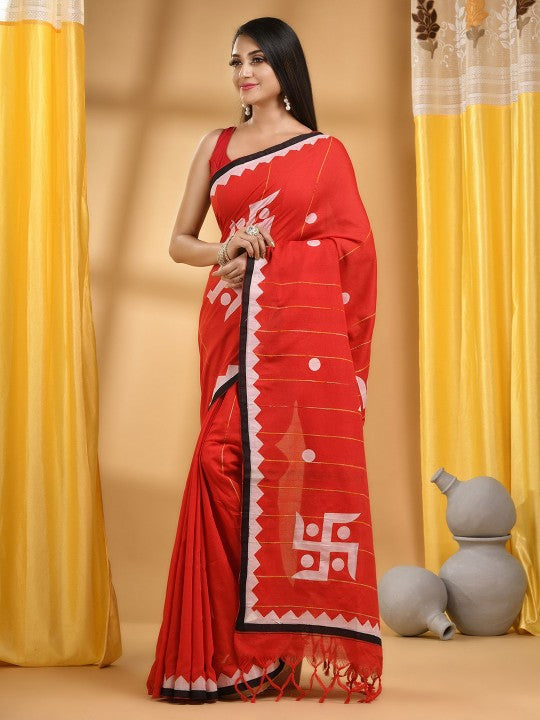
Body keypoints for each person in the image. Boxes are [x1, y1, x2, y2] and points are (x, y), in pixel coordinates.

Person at [146, 16, 383, 704]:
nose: (244, 72)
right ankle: (220, 653)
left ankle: (262, 654)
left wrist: (277, 263)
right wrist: (226, 250)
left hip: (294, 336)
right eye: (235, 61)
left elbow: (355, 252)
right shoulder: (216, 146)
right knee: (221, 464)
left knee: (273, 477)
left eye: (257, 59)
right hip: (229, 329)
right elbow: (180, 241)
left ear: (285, 68)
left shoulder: (324, 153)